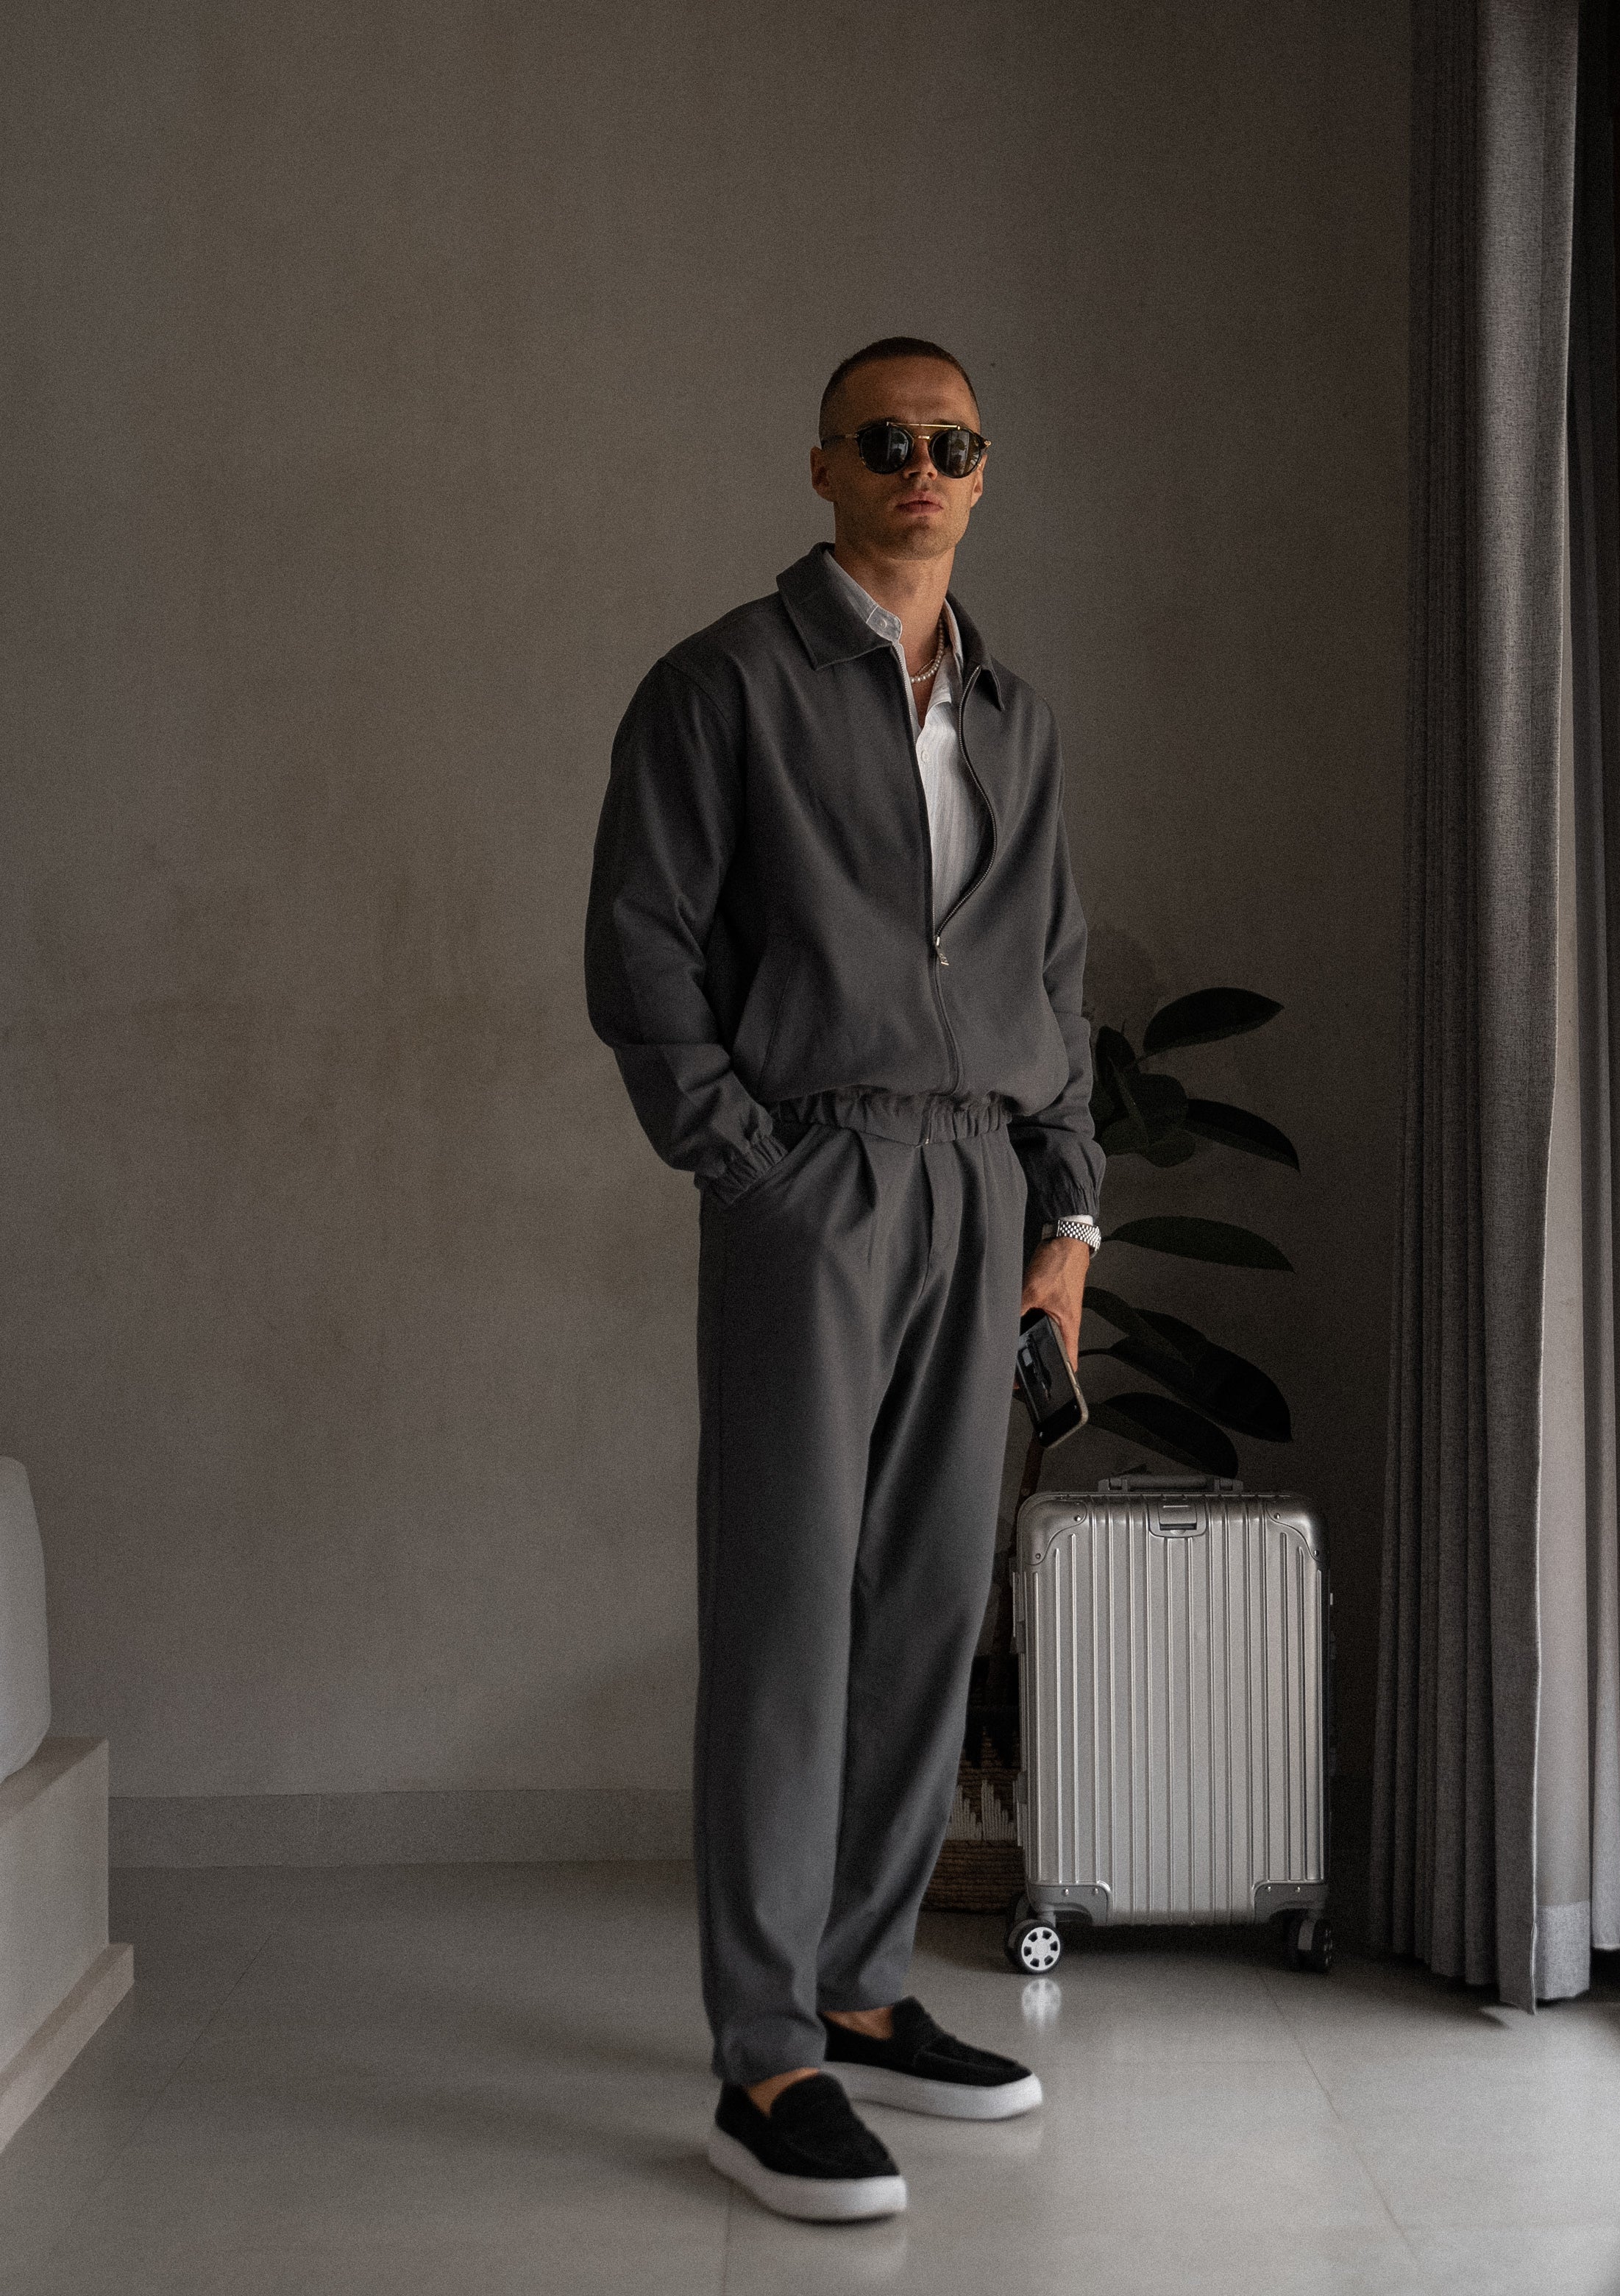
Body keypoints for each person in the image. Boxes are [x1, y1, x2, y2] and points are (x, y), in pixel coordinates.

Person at [584, 336, 1104, 2222]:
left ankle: (865, 1990)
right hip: (815, 1180)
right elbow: (641, 948)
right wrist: (750, 1167)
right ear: (822, 465)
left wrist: (1067, 1225)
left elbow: (1055, 976)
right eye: (884, 439)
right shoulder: (720, 686)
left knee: (927, 1602)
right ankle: (765, 2055)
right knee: (789, 1609)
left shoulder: (1017, 718)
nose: (920, 467)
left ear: (983, 469)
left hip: (982, 1180)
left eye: (951, 441)